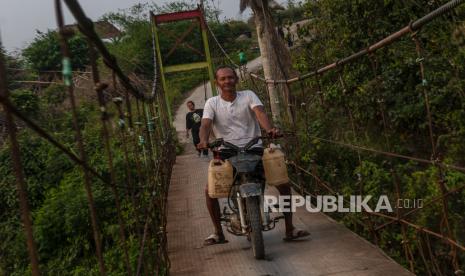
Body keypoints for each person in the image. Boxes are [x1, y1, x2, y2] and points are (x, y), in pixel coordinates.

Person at [197, 65, 310, 246]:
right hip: (227, 151)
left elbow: (260, 112)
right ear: (217, 83)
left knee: (283, 183)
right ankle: (218, 233)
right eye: (223, 79)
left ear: (236, 79)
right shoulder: (212, 103)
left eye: (230, 77)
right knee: (209, 192)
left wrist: (269, 129)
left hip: (253, 148)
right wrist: (203, 140)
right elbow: (205, 124)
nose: (227, 81)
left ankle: (290, 228)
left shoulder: (248, 95)